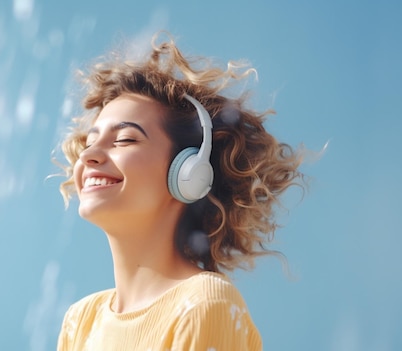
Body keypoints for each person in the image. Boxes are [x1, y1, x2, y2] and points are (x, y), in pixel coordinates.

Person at [56, 33, 305, 351]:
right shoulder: (80, 321)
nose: (90, 155)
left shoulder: (205, 304)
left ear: (188, 174)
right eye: (90, 143)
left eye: (125, 140)